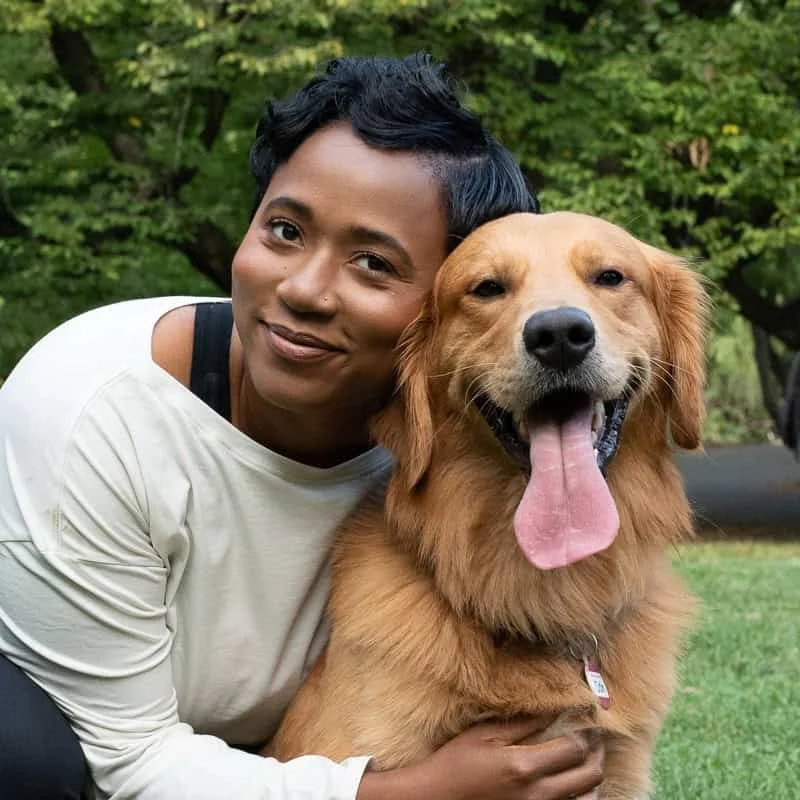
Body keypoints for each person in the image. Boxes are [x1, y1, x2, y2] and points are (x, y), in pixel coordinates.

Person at [0, 53, 604, 800]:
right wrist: (417, 792)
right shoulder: (93, 407)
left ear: (449, 312)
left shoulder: (463, 445)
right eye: (284, 230)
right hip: (74, 730)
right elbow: (128, 759)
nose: (305, 290)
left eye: (373, 264)